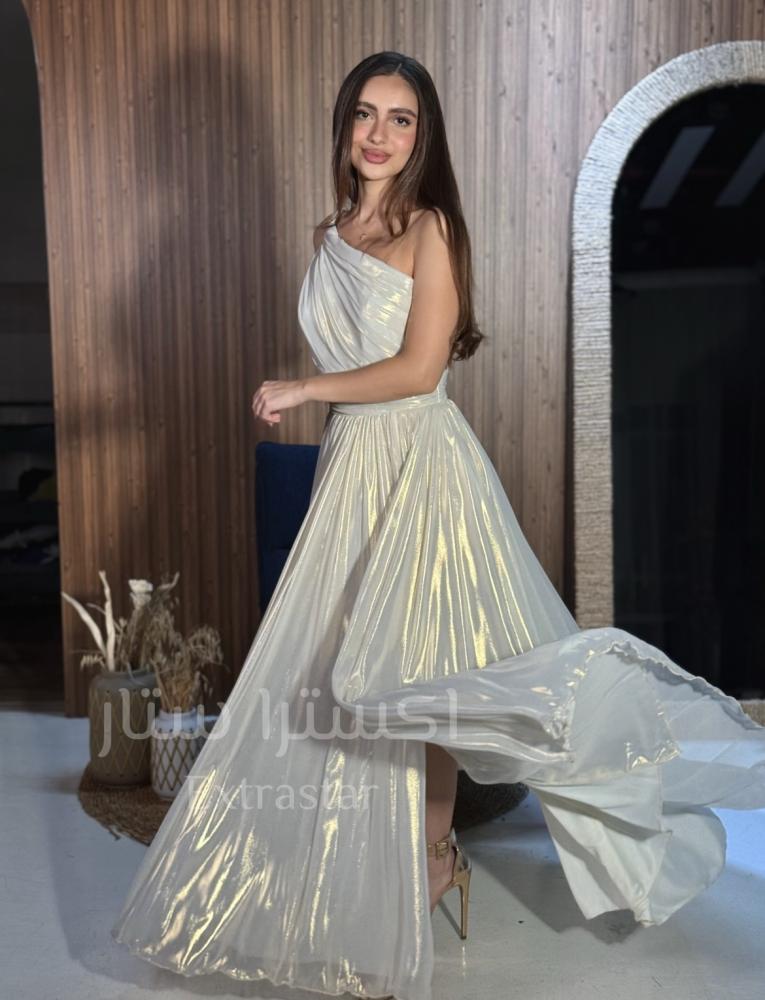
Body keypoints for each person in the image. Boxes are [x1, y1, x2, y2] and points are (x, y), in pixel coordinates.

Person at [111, 51, 765, 1000]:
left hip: (420, 463)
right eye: (365, 114)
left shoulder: (432, 228)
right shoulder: (331, 234)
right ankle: (348, 865)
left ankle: (429, 854)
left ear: (424, 137)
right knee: (333, 667)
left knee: (425, 670)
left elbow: (420, 369)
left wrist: (306, 387)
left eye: (401, 118)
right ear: (344, 126)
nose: (379, 134)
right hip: (351, 467)